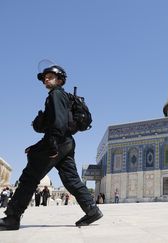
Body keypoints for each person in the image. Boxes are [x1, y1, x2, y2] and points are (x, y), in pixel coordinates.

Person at [0, 64, 103, 231]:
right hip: (67, 142)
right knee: (71, 179)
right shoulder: (64, 97)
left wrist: (50, 145)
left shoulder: (56, 95)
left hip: (57, 141)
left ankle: (12, 217)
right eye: (45, 77)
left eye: (50, 76)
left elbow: (59, 123)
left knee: (30, 176)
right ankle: (92, 209)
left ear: (60, 80)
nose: (46, 79)